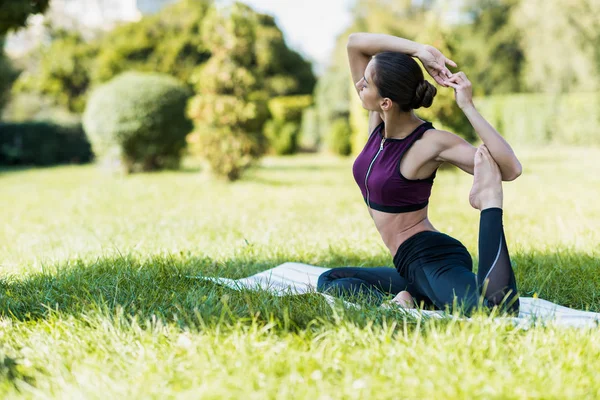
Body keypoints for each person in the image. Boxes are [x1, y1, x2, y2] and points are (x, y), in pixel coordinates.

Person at [316, 33, 522, 314]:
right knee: (331, 280)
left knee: (495, 310)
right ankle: (413, 295)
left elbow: (511, 168)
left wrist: (467, 106)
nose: (359, 84)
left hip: (429, 256)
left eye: (367, 82)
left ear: (386, 102)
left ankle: (488, 202)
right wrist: (419, 51)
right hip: (408, 265)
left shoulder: (428, 143)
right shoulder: (378, 126)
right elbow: (355, 44)